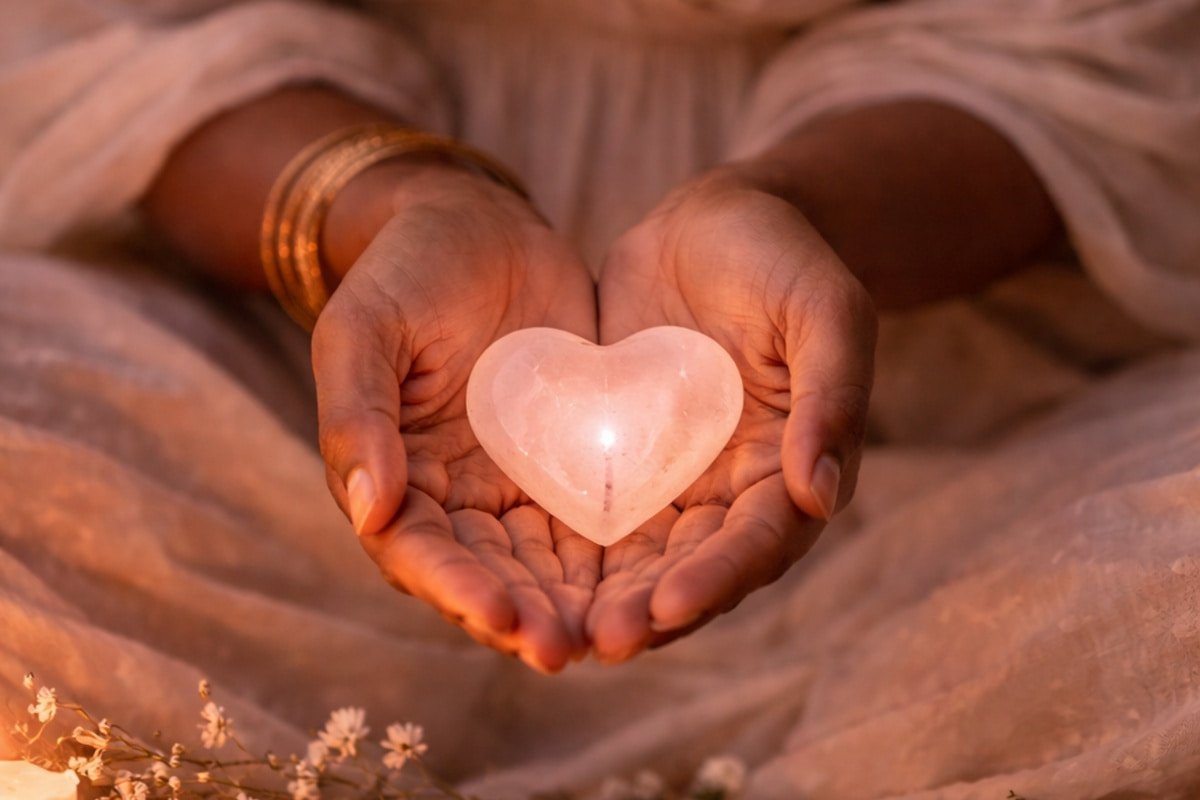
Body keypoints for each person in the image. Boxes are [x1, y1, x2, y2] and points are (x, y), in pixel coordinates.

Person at [2, 1, 1198, 797]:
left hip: (943, 349)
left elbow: (1095, 50)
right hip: (272, 321)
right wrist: (383, 211)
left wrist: (796, 208)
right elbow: (96, 28)